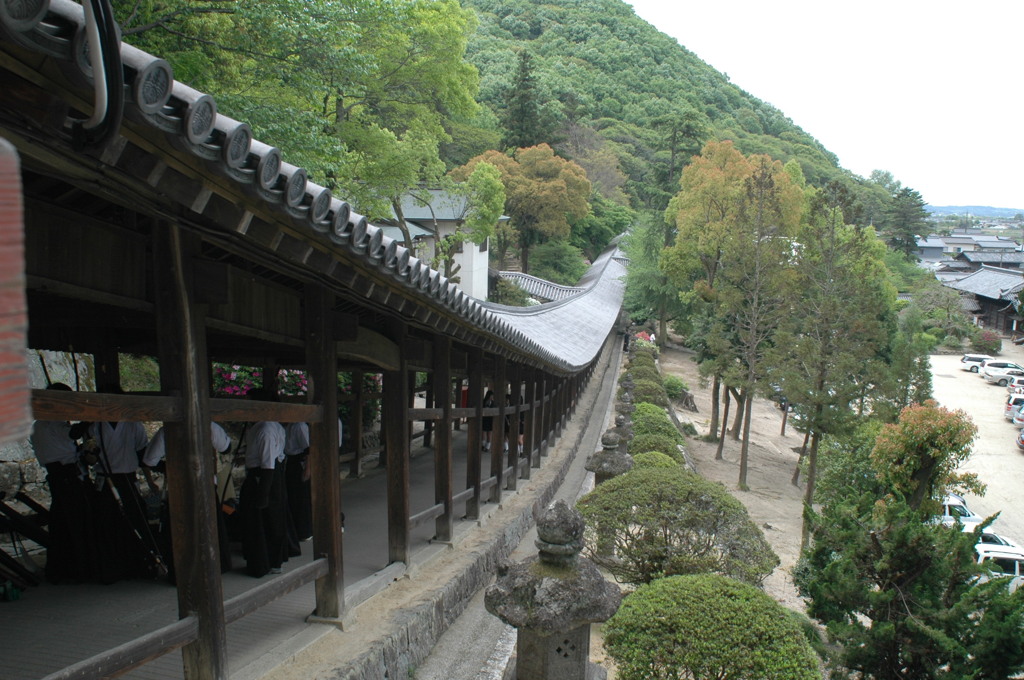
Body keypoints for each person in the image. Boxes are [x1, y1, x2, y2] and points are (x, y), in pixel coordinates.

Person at [29, 383, 98, 584]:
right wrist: (89, 418)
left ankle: (64, 569)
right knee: (76, 522)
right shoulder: (52, 423)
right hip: (68, 477)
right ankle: (81, 568)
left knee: (62, 523)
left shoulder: (39, 424)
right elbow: (73, 434)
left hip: (59, 476)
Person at [85, 416, 160, 580]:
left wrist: (149, 480)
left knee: (136, 520)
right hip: (106, 479)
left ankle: (143, 563)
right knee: (107, 523)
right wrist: (90, 453)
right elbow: (90, 458)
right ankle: (111, 568)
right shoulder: (95, 425)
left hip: (127, 477)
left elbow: (142, 455)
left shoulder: (133, 423)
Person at [239, 389, 288, 577]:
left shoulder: (266, 429)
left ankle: (267, 563)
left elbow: (268, 464)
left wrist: (262, 494)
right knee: (266, 521)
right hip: (265, 475)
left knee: (266, 520)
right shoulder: (264, 426)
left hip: (265, 476)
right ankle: (267, 561)